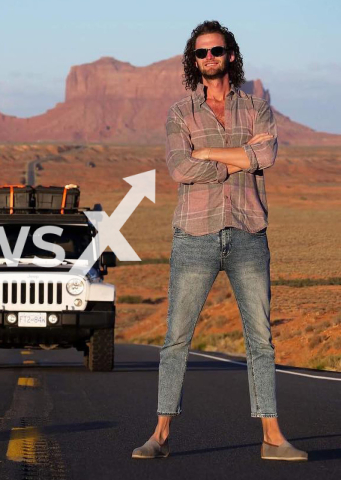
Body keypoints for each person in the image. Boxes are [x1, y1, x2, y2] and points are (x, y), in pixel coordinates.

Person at [132, 21, 307, 461]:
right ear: (194, 61)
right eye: (201, 53)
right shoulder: (180, 113)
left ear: (231, 54)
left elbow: (266, 156)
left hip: (249, 231)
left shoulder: (256, 108)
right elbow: (179, 169)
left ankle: (272, 436)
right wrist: (237, 159)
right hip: (195, 233)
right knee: (176, 338)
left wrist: (208, 153)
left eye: (216, 50)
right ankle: (161, 434)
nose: (208, 58)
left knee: (261, 340)